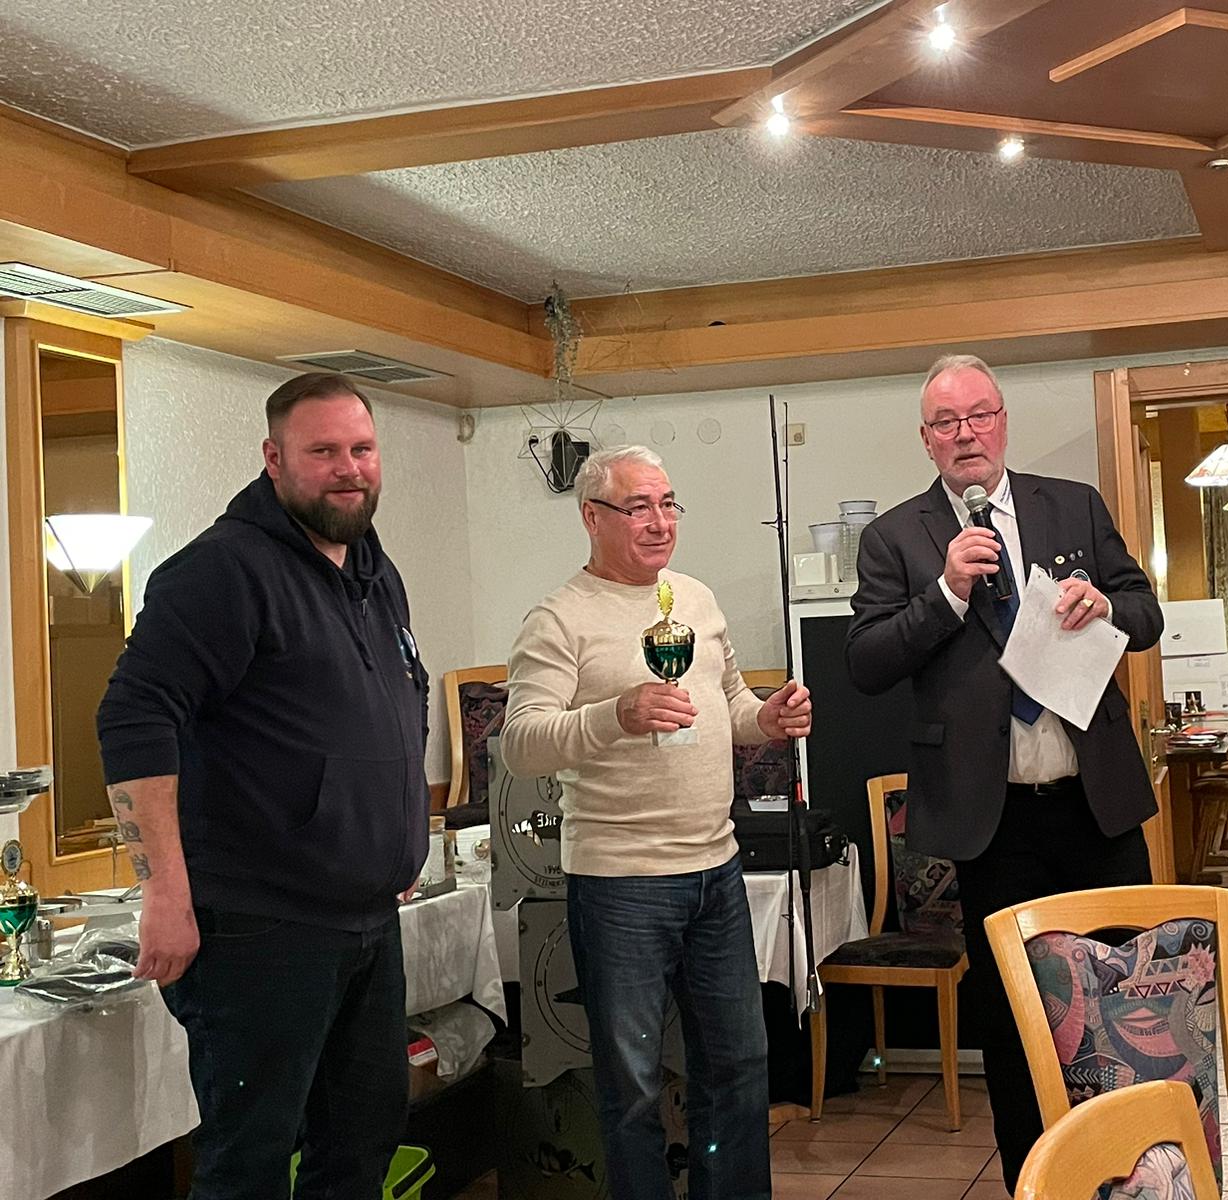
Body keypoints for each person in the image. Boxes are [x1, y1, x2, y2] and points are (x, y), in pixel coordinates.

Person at [96, 372, 429, 1200]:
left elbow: (391, 708)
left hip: (364, 920)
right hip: (258, 926)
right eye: (324, 452)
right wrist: (163, 892)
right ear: (274, 459)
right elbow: (133, 717)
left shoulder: (374, 570)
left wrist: (393, 836)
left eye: (362, 449)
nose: (349, 468)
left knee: (361, 1142)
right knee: (250, 1162)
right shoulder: (222, 571)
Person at [846, 354, 1162, 1191]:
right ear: (926, 440)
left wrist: (1107, 605)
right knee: (1017, 1020)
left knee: (1125, 1006)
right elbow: (867, 662)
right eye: (946, 423)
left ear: (1003, 422)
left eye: (979, 415)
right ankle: (1038, 1182)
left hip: (1097, 808)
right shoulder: (895, 537)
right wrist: (946, 594)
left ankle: (1131, 1175)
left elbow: (1146, 612)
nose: (966, 434)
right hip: (992, 822)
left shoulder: (1073, 504)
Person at [500, 445, 811, 1200]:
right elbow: (520, 742)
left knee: (739, 1066)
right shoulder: (558, 618)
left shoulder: (695, 599)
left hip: (716, 870)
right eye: (638, 507)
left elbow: (729, 703)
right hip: (620, 883)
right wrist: (616, 714)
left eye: (668, 504)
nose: (659, 521)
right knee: (634, 1084)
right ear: (591, 517)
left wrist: (767, 719)